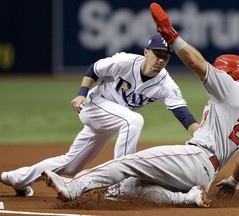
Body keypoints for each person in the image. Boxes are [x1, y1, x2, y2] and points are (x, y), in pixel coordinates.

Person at [41, 2, 239, 208]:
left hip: (195, 158)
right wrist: (233, 181)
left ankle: (72, 187)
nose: (218, 74)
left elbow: (197, 63)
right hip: (208, 174)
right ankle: (186, 198)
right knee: (128, 187)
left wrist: (170, 34)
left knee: (127, 163)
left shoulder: (229, 88)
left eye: (221, 72)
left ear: (228, 74)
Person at [0, 33, 199, 197]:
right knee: (133, 121)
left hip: (113, 118)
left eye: (166, 56)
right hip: (94, 106)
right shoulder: (125, 62)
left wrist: (199, 135)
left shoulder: (166, 84)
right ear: (146, 52)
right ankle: (121, 185)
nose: (161, 60)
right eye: (157, 54)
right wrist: (81, 94)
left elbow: (183, 115)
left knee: (70, 166)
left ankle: (15, 178)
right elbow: (94, 69)